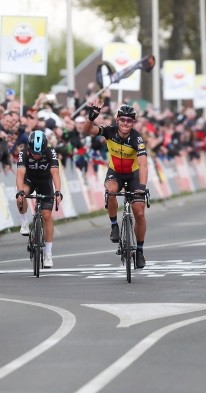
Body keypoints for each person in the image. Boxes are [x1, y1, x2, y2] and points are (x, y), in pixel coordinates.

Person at [83, 99, 149, 269]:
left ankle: (140, 251)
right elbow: (86, 131)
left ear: (133, 123)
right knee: (111, 191)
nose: (126, 123)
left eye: (130, 120)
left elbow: (143, 164)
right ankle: (114, 226)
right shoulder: (110, 131)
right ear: (117, 119)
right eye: (123, 119)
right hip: (115, 173)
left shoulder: (137, 139)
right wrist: (91, 118)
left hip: (133, 175)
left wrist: (141, 187)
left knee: (139, 213)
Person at [15, 130, 63, 267]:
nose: (36, 156)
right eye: (34, 153)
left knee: (47, 215)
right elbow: (20, 174)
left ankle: (48, 253)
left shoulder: (50, 152)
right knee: (21, 194)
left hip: (45, 181)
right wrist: (20, 192)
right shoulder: (23, 153)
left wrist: (58, 191)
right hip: (29, 180)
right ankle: (24, 221)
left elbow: (55, 173)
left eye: (39, 153)